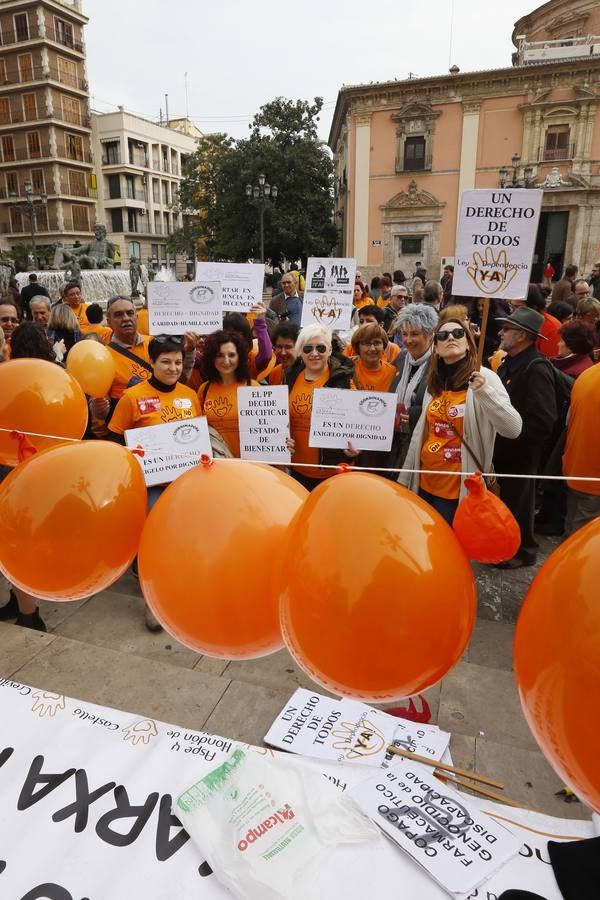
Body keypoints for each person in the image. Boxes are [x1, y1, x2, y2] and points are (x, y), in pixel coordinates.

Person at [108, 334, 202, 632]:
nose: (173, 368)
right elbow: (114, 440)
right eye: (165, 362)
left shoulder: (190, 395)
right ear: (152, 363)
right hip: (150, 487)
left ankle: (179, 593)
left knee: (182, 542)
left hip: (185, 486)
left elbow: (197, 436)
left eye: (177, 362)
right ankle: (152, 601)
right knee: (152, 545)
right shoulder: (132, 398)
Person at [399, 312, 521, 525]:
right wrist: (406, 477)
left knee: (450, 547)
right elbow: (422, 432)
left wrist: (484, 392)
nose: (451, 338)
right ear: (435, 347)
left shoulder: (484, 378)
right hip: (425, 481)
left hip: (459, 486)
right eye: (443, 336)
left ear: (468, 343)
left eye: (458, 333)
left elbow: (512, 429)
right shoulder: (435, 381)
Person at [493, 307, 558, 568]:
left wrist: (518, 443)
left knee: (519, 504)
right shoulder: (511, 362)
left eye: (506, 329)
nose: (501, 332)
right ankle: (506, 546)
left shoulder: (536, 368)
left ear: (521, 336)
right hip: (506, 450)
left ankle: (522, 552)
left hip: (520, 453)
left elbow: (544, 419)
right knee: (507, 503)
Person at [284, 325, 356, 491]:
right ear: (300, 352)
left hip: (332, 473)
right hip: (296, 470)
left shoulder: (343, 380)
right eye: (308, 349)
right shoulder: (290, 376)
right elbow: (282, 418)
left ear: (330, 350)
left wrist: (355, 448)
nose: (314, 353)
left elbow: (354, 425)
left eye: (321, 348)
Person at [197, 330, 258, 457]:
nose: (226, 361)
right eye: (220, 355)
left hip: (251, 466)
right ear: (211, 358)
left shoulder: (253, 387)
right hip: (219, 467)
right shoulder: (204, 389)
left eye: (231, 355)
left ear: (239, 357)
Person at [391, 304, 438, 467]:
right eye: (404, 334)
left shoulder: (439, 363)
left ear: (430, 334)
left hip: (422, 443)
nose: (408, 340)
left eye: (415, 334)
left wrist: (414, 414)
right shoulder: (402, 356)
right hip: (397, 441)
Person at [562, 362, 600, 534]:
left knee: (572, 530)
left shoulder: (587, 375)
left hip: (576, 468)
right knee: (584, 541)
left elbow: (568, 421)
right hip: (594, 479)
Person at [223, 306, 274, 380]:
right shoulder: (216, 357)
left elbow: (266, 356)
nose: (234, 339)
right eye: (229, 334)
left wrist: (260, 323)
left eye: (239, 335)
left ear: (246, 337)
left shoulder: (250, 359)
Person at [349, 324, 397, 391]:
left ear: (384, 346)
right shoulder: (347, 369)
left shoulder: (393, 373)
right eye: (367, 343)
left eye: (377, 343)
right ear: (357, 347)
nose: (372, 349)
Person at [526, 283, 561, 357]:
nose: (513, 312)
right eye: (511, 306)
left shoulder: (552, 328)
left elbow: (550, 362)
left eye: (517, 307)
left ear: (534, 307)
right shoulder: (517, 322)